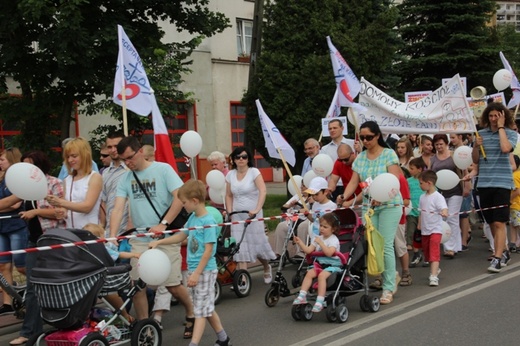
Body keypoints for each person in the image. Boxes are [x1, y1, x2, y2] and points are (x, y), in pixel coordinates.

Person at [108, 136, 195, 337]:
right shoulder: (126, 178)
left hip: (165, 236)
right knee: (137, 285)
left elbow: (179, 197)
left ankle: (191, 311)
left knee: (173, 285)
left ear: (140, 151)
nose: (127, 163)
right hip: (140, 238)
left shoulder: (163, 170)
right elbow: (118, 207)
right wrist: (112, 235)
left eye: (130, 158)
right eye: (123, 160)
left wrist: (163, 224)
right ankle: (145, 327)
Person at [149, 180, 231, 346]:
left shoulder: (207, 222)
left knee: (199, 311)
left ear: (194, 201)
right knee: (205, 308)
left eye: (184, 202)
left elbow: (208, 251)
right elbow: (180, 236)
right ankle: (223, 339)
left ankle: (193, 343)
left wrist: (196, 273)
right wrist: (160, 242)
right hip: (196, 270)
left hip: (204, 271)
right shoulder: (193, 218)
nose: (183, 206)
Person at [341, 121, 403, 305]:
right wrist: (344, 197)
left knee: (385, 245)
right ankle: (390, 274)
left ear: (377, 136)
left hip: (390, 204)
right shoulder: (360, 158)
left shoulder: (388, 154)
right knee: (373, 247)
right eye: (362, 137)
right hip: (370, 207)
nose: (366, 141)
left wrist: (382, 196)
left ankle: (388, 287)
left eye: (369, 137)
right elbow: (354, 182)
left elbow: (396, 178)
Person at [9, 151, 66, 345]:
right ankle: (29, 332)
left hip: (52, 240)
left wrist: (36, 211)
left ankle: (65, 325)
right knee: (33, 288)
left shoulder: (54, 183)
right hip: (33, 241)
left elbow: (60, 213)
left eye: (29, 166)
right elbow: (11, 203)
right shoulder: (24, 188)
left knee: (58, 284)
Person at [470, 102, 517, 273]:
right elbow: (475, 159)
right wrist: (476, 145)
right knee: (490, 222)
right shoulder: (480, 134)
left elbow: (505, 148)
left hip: (502, 183)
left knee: (499, 222)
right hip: (484, 183)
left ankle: (497, 258)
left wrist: (502, 128)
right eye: (491, 116)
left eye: (497, 115)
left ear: (503, 116)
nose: (494, 119)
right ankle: (504, 251)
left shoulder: (511, 134)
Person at [225, 146, 276, 284]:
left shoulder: (254, 172)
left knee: (258, 244)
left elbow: (263, 191)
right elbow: (229, 195)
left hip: (253, 215)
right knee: (240, 246)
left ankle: (266, 266)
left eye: (244, 157)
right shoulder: (230, 175)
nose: (241, 159)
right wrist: (229, 211)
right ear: (233, 159)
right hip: (237, 215)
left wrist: (257, 209)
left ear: (248, 159)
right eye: (238, 157)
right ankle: (243, 277)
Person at [82, 223, 137, 323]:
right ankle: (125, 315)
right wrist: (134, 254)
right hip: (104, 280)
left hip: (88, 282)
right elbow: (119, 254)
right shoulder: (103, 249)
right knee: (112, 295)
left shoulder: (83, 249)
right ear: (100, 237)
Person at [47, 137, 102, 229]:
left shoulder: (95, 177)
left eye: (74, 156)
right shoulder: (67, 180)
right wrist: (61, 212)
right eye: (68, 157)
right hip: (71, 232)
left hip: (90, 232)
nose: (70, 160)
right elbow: (65, 208)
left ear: (84, 155)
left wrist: (61, 202)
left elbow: (87, 207)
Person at [292, 212, 342, 313]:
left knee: (322, 276)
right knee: (309, 273)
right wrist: (300, 242)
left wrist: (321, 244)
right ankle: (302, 295)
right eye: (321, 226)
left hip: (333, 265)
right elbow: (308, 250)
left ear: (333, 229)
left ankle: (320, 300)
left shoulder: (333, 240)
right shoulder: (318, 239)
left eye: (325, 227)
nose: (321, 228)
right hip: (321, 264)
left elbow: (329, 253)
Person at [0, 148, 28, 316]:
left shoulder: (17, 180)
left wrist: (5, 205)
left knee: (22, 265)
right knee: (3, 265)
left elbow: (16, 204)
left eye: (2, 159)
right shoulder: (1, 179)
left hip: (16, 224)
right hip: (1, 226)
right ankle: (7, 302)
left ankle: (33, 295)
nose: (0, 162)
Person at [430, 134, 465, 258]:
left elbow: (463, 169)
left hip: (455, 191)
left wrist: (466, 186)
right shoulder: (433, 159)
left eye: (441, 144)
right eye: (437, 145)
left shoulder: (454, 156)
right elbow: (431, 175)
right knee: (444, 218)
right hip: (440, 193)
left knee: (452, 218)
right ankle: (453, 245)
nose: (439, 147)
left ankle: (451, 248)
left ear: (446, 144)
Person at [417, 170, 448, 286]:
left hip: (435, 229)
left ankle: (433, 276)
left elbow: (444, 208)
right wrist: (419, 224)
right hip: (425, 230)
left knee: (434, 251)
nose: (419, 185)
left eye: (421, 183)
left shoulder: (438, 197)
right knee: (427, 252)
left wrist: (444, 212)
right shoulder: (422, 197)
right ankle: (435, 269)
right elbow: (421, 212)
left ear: (429, 183)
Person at [100, 131, 129, 236]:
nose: (113, 150)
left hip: (130, 231)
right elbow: (104, 202)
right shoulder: (105, 173)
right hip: (111, 232)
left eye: (116, 146)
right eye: (109, 147)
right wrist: (102, 227)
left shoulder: (131, 170)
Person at [273, 183, 311, 260]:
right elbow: (284, 207)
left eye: (304, 186)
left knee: (302, 226)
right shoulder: (298, 196)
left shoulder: (313, 197)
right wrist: (291, 204)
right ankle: (279, 253)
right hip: (295, 218)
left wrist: (299, 206)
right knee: (281, 226)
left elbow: (308, 209)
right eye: (301, 185)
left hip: (307, 219)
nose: (301, 187)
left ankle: (300, 252)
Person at [321, 119, 355, 200]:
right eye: (330, 128)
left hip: (352, 183)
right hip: (334, 186)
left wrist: (360, 149)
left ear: (342, 128)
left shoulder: (353, 143)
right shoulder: (324, 149)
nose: (332, 130)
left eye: (335, 128)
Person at [450, 133, 473, 250]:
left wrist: (464, 167)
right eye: (450, 137)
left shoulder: (467, 150)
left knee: (464, 214)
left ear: (460, 137)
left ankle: (464, 240)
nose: (451, 140)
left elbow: (473, 167)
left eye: (453, 137)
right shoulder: (451, 151)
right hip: (454, 184)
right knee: (456, 215)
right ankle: (459, 238)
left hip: (464, 183)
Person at [407, 157, 426, 268]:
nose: (410, 170)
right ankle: (416, 254)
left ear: (419, 169)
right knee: (412, 234)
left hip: (423, 212)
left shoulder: (425, 180)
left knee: (424, 234)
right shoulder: (408, 181)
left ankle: (426, 255)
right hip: (412, 212)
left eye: (412, 168)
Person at [509, 155, 520, 253]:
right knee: (513, 224)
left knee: (516, 225)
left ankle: (516, 244)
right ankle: (513, 243)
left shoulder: (514, 176)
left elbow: (517, 191)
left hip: (515, 204)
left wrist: (508, 200)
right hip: (515, 205)